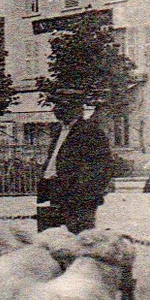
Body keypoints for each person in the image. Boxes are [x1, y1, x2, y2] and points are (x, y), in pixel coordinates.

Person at [38, 96, 116, 233]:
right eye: (56, 106)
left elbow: (102, 165)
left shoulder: (90, 131)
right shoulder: (59, 131)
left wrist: (84, 190)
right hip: (57, 189)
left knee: (80, 235)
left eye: (63, 105)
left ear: (77, 109)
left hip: (80, 194)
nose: (57, 109)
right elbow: (55, 158)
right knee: (57, 237)